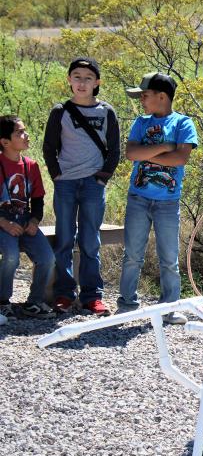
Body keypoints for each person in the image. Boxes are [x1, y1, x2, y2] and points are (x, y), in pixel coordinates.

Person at [116, 72, 197, 325]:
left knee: (169, 259)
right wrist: (164, 147)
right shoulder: (141, 122)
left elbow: (180, 159)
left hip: (168, 202)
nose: (141, 100)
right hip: (138, 198)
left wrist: (146, 153)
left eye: (145, 95)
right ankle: (127, 304)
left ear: (162, 97)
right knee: (132, 255)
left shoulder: (183, 124)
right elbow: (131, 153)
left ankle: (168, 308)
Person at [43, 57, 120, 316]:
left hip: (93, 185)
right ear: (69, 80)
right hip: (65, 184)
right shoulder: (60, 111)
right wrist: (57, 175)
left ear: (97, 82)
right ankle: (64, 294)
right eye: (76, 76)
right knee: (64, 240)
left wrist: (102, 178)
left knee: (90, 241)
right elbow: (49, 147)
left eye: (88, 78)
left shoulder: (106, 111)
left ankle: (92, 297)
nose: (82, 82)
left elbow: (114, 150)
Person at [0, 115, 55, 324]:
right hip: (2, 221)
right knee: (11, 255)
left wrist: (34, 222)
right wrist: (4, 223)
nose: (26, 135)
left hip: (24, 220)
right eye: (19, 133)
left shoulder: (30, 166)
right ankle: (3, 301)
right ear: (5, 142)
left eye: (24, 130)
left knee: (47, 258)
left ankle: (34, 301)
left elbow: (38, 200)